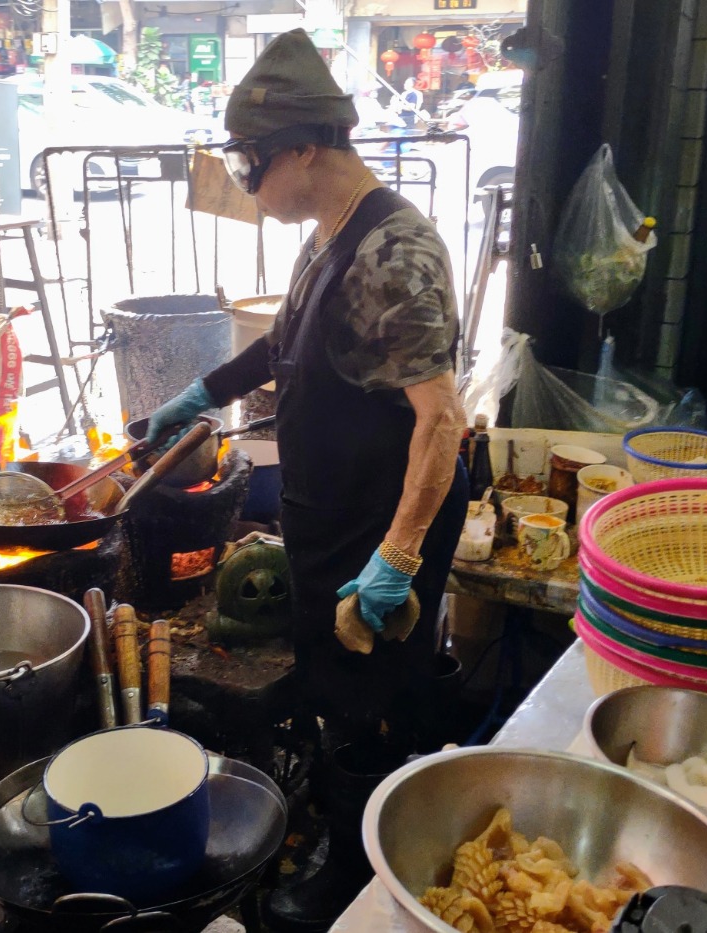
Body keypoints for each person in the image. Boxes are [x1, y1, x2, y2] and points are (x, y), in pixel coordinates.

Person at [146, 29, 467, 931]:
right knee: (333, 685)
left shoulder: (393, 254)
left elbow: (442, 420)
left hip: (381, 520)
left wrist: (397, 558)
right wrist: (202, 393)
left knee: (369, 697)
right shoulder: (333, 233)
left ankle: (361, 872)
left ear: (307, 147)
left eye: (252, 162)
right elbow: (285, 340)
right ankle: (346, 826)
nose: (246, 182)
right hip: (332, 511)